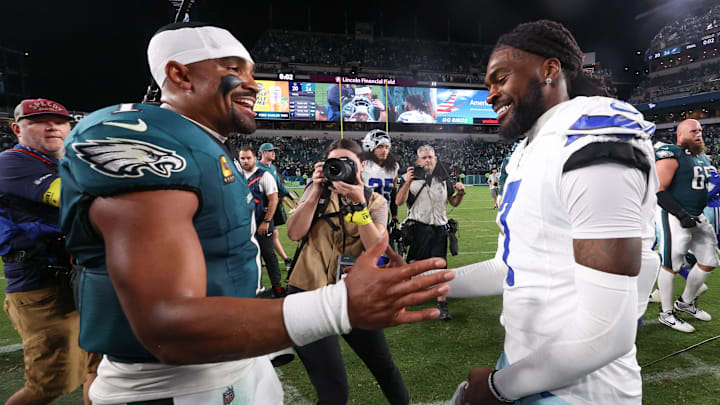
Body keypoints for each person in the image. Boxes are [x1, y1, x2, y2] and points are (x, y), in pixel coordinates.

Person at [58, 23, 453, 404]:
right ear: (179, 75)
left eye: (251, 72)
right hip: (173, 387)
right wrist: (338, 307)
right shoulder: (149, 139)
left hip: (234, 363)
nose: (252, 84)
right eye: (232, 69)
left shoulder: (208, 146)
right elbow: (168, 328)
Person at [444, 20, 658, 404]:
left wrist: (498, 388)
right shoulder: (531, 146)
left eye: (500, 78)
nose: (490, 95)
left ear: (550, 69)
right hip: (527, 367)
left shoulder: (593, 132)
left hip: (580, 393)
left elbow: (607, 331)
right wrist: (422, 282)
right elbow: (512, 267)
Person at [286, 138, 409, 404]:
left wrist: (358, 205)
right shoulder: (315, 192)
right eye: (334, 163)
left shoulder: (375, 202)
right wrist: (316, 191)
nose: (340, 169)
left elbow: (376, 247)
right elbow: (294, 233)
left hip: (355, 297)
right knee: (333, 391)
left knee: (385, 368)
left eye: (348, 163)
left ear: (361, 166)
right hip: (310, 296)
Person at [1, 98, 99, 405]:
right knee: (51, 383)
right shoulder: (11, 162)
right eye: (40, 121)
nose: (52, 127)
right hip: (41, 287)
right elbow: (70, 198)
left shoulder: (66, 162)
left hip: (81, 280)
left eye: (59, 121)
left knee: (101, 369)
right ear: (17, 128)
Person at [655, 119, 718, 333]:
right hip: (674, 216)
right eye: (694, 131)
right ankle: (666, 313)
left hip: (698, 216)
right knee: (671, 264)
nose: (699, 134)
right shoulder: (672, 153)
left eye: (700, 130)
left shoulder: (700, 155)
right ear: (680, 134)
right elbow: (659, 190)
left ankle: (685, 302)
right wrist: (681, 214)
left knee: (709, 261)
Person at [396, 145, 465, 320]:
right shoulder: (409, 178)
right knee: (411, 267)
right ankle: (403, 298)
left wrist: (461, 193)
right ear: (418, 160)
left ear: (436, 158)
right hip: (418, 229)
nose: (428, 160)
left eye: (430, 157)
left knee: (440, 268)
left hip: (439, 230)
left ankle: (442, 305)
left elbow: (454, 202)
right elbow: (398, 201)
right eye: (424, 157)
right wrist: (407, 183)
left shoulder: (443, 179)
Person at [239, 146, 283, 297]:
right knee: (247, 255)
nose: (245, 161)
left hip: (261, 222)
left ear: (255, 159)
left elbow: (273, 199)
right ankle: (254, 287)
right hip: (244, 223)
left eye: (248, 158)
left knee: (268, 254)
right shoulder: (237, 176)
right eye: (242, 158)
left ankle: (277, 287)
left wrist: (266, 221)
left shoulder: (264, 176)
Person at [257, 142, 297, 271]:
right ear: (263, 153)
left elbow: (280, 186)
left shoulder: (273, 168)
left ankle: (284, 260)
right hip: (259, 209)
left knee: (271, 234)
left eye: (274, 150)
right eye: (270, 151)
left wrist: (293, 198)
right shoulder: (256, 167)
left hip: (270, 208)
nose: (273, 153)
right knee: (266, 236)